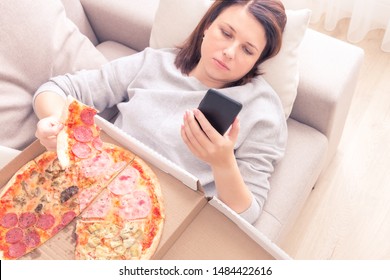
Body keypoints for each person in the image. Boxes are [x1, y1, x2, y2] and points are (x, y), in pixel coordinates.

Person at [33, 0, 287, 224]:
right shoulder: (153, 63)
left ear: (258, 60)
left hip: (164, 217)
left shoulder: (262, 111)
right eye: (226, 33)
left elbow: (247, 215)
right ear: (208, 25)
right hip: (91, 185)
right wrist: (55, 123)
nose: (229, 53)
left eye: (247, 50)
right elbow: (56, 88)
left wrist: (223, 163)